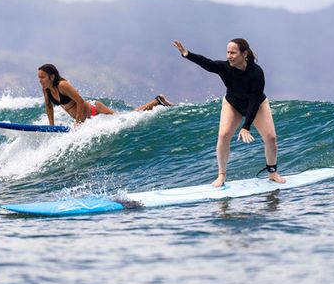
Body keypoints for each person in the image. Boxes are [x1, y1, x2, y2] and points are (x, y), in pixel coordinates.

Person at [173, 39, 286, 187]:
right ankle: (221, 175)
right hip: (233, 104)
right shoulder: (225, 68)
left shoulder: (256, 72)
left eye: (233, 52)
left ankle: (272, 172)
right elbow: (208, 63)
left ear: (244, 54)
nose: (229, 56)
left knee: (271, 138)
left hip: (257, 104)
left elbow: (254, 100)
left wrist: (246, 126)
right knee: (223, 135)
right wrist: (187, 54)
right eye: (228, 52)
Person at [38, 64, 173, 126]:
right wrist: (51, 127)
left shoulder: (62, 85)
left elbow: (80, 101)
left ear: (52, 76)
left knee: (127, 118)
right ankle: (158, 101)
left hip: (94, 111)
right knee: (126, 117)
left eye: (42, 77)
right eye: (39, 78)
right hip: (88, 118)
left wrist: (78, 122)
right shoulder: (46, 88)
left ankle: (158, 100)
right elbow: (49, 107)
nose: (40, 80)